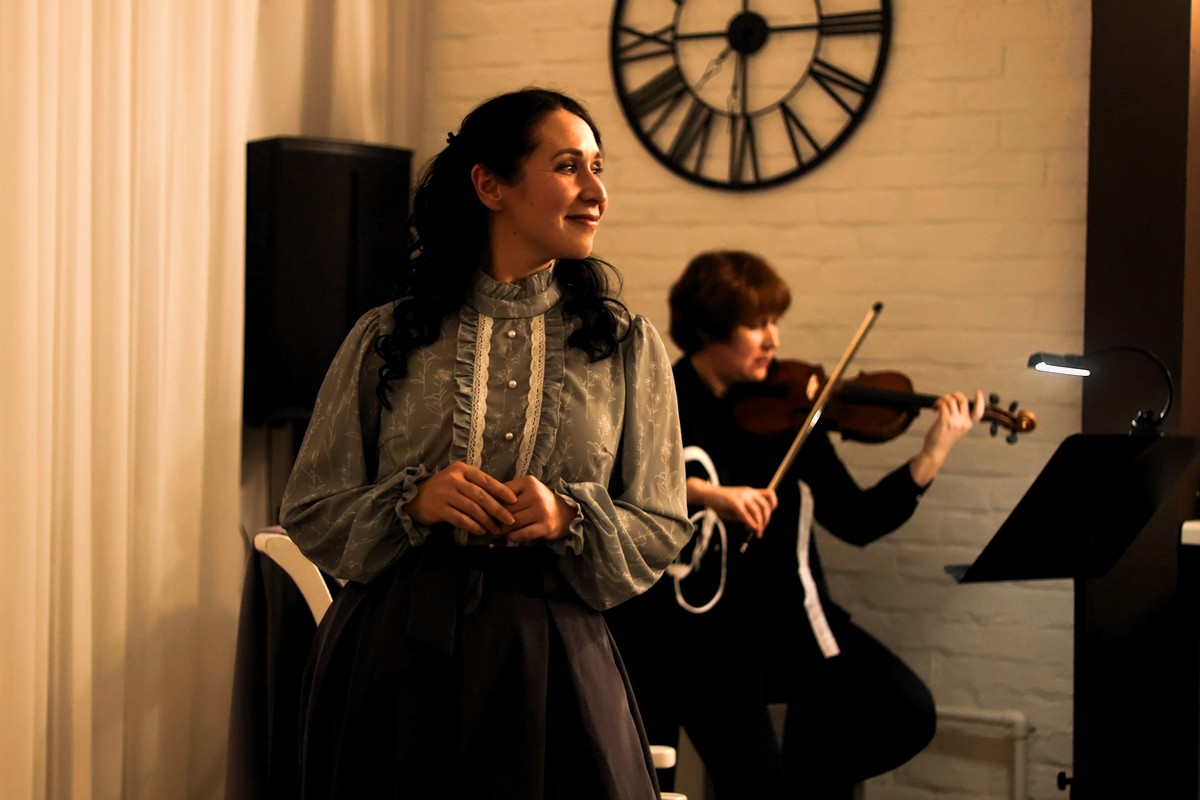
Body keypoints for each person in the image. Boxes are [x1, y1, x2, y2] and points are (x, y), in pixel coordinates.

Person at [279, 88, 692, 799]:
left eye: (598, 168)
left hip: (554, 658)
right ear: (490, 185)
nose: (596, 193)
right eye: (568, 166)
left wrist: (569, 516)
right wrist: (415, 502)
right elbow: (311, 508)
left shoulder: (625, 347)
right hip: (394, 658)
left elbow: (661, 523)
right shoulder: (386, 336)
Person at [605, 250, 985, 799]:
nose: (774, 340)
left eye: (775, 322)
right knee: (651, 779)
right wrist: (708, 494)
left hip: (759, 628)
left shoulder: (788, 412)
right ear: (711, 328)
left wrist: (932, 454)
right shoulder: (657, 393)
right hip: (666, 630)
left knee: (900, 711)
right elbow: (618, 485)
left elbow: (856, 520)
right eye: (757, 324)